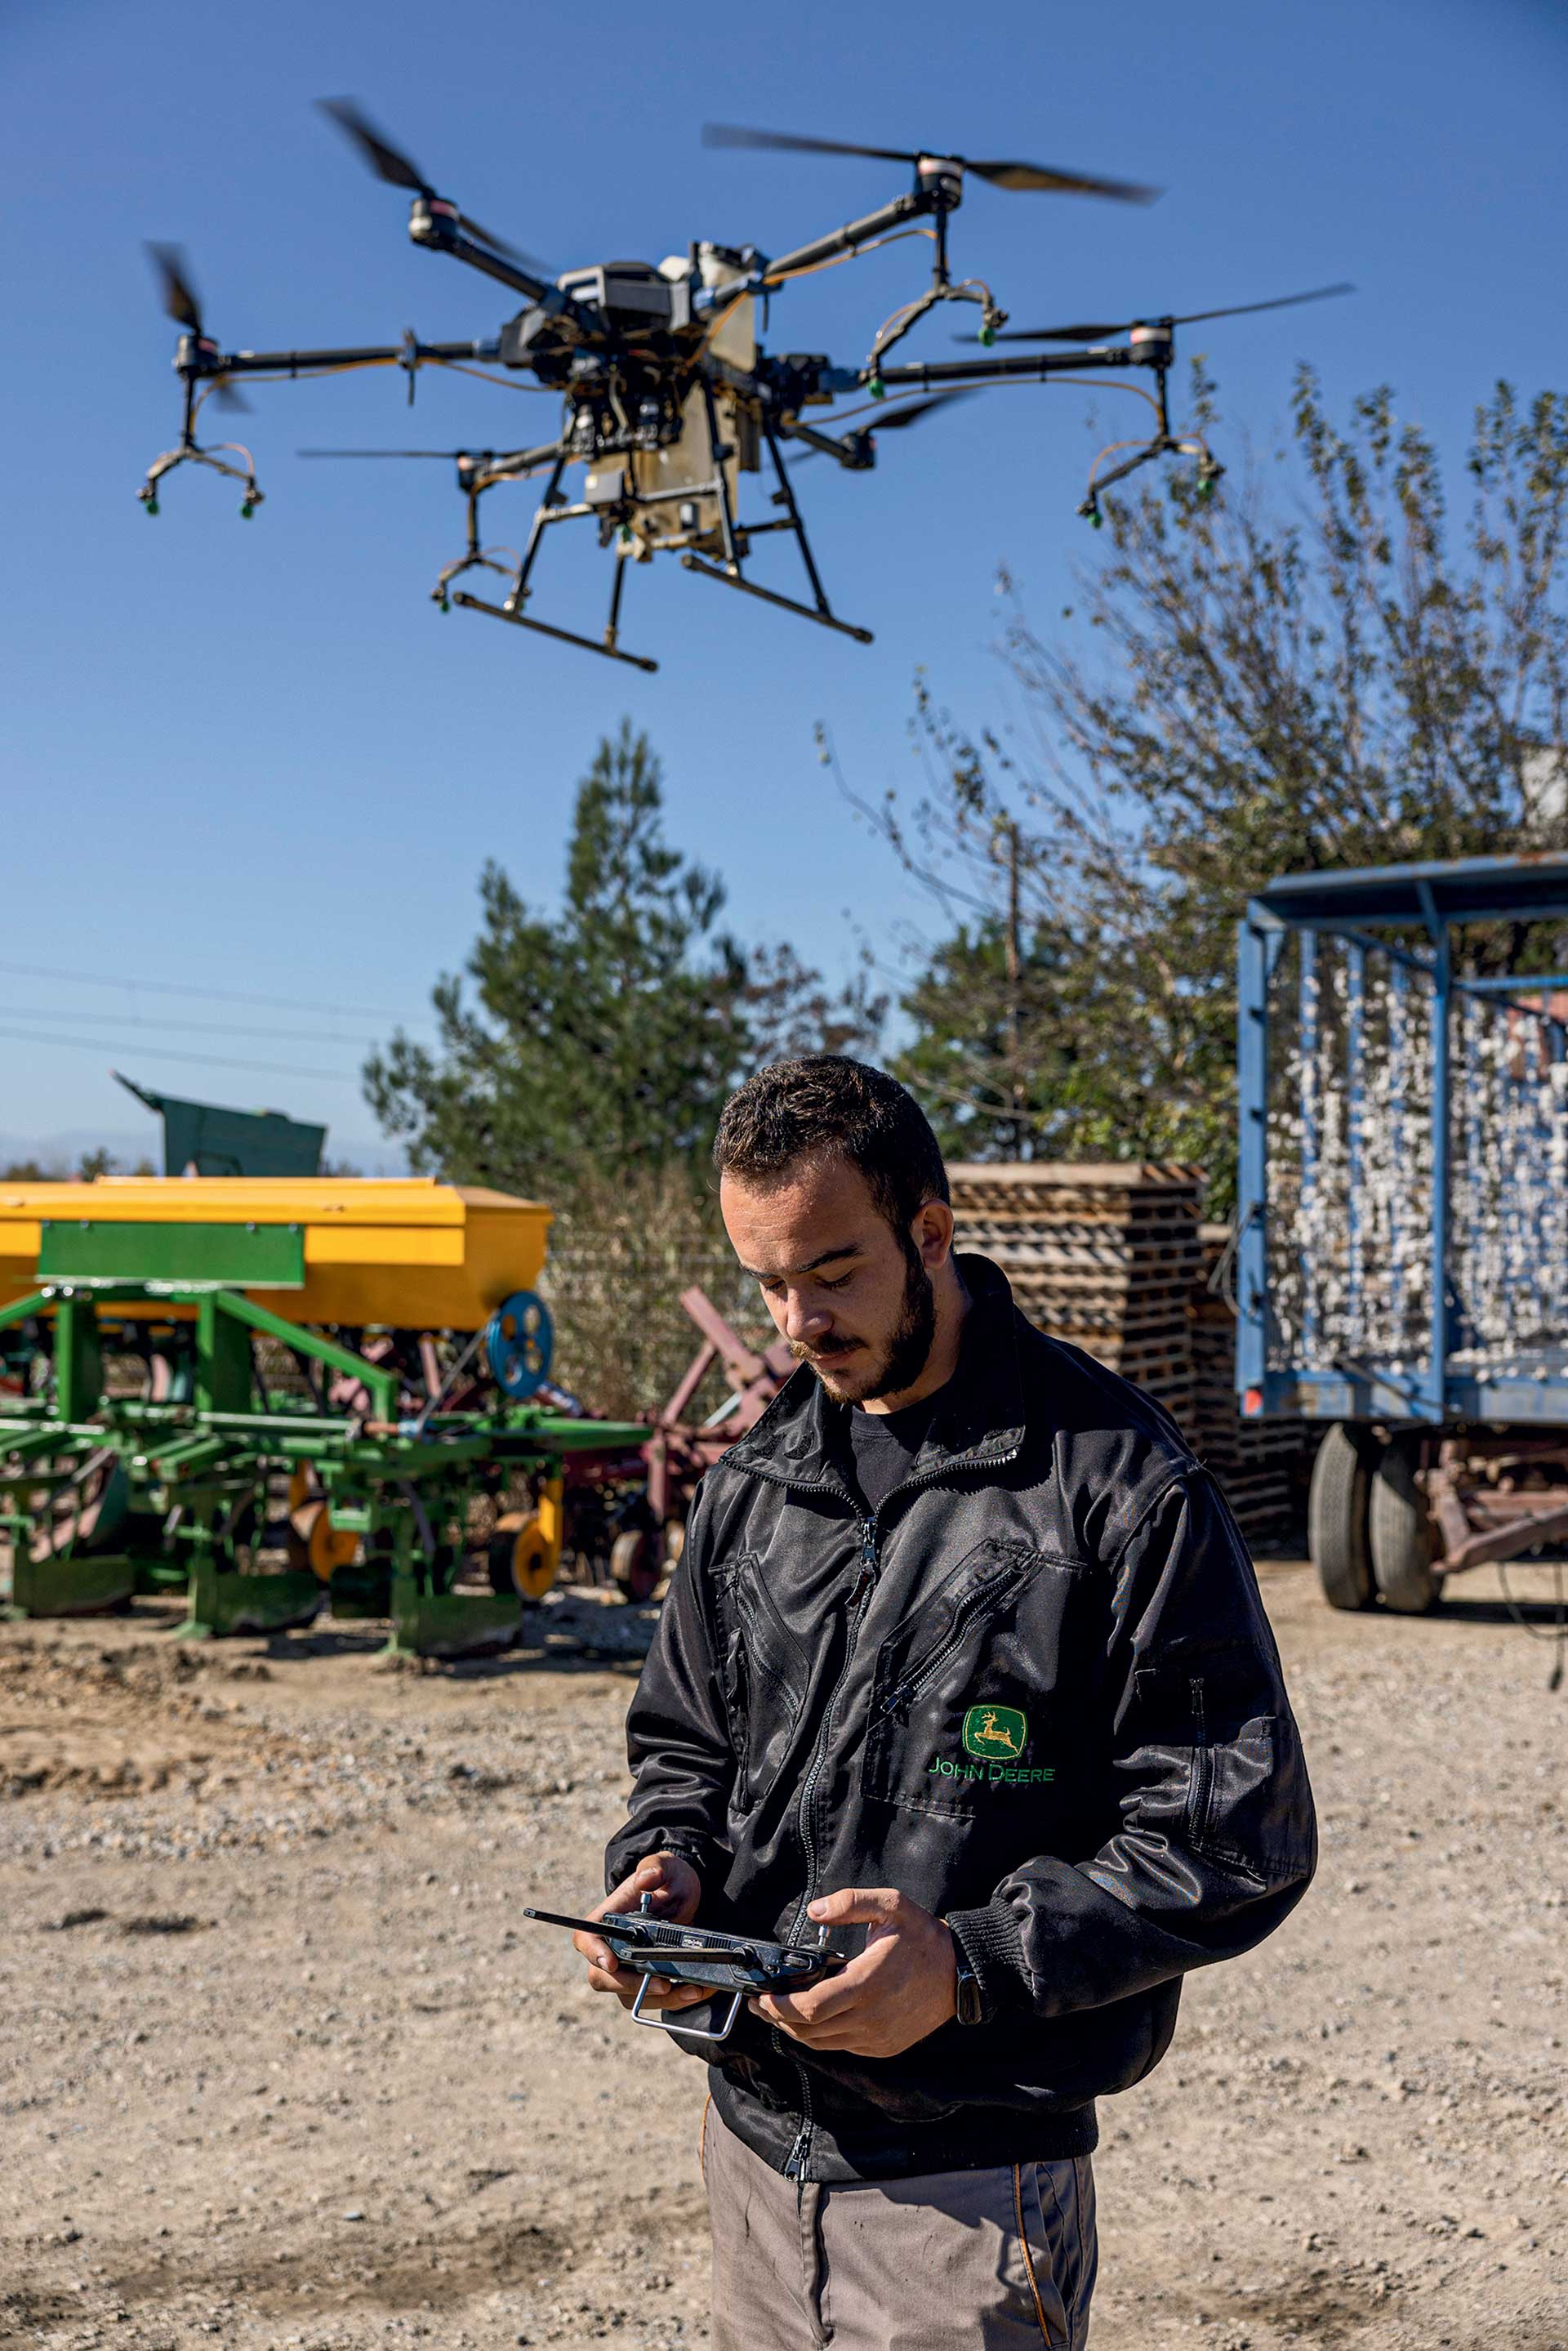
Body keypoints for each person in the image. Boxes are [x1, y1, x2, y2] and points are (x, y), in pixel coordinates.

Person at [575, 1056, 1316, 2349]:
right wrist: (666, 1870)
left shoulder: (1116, 1491)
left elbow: (1232, 1838)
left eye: (833, 1270)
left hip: (969, 2197)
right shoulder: (756, 1483)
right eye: (767, 1280)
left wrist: (964, 1968)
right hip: (754, 2159)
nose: (797, 1321)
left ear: (932, 1231)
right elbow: (685, 1743)